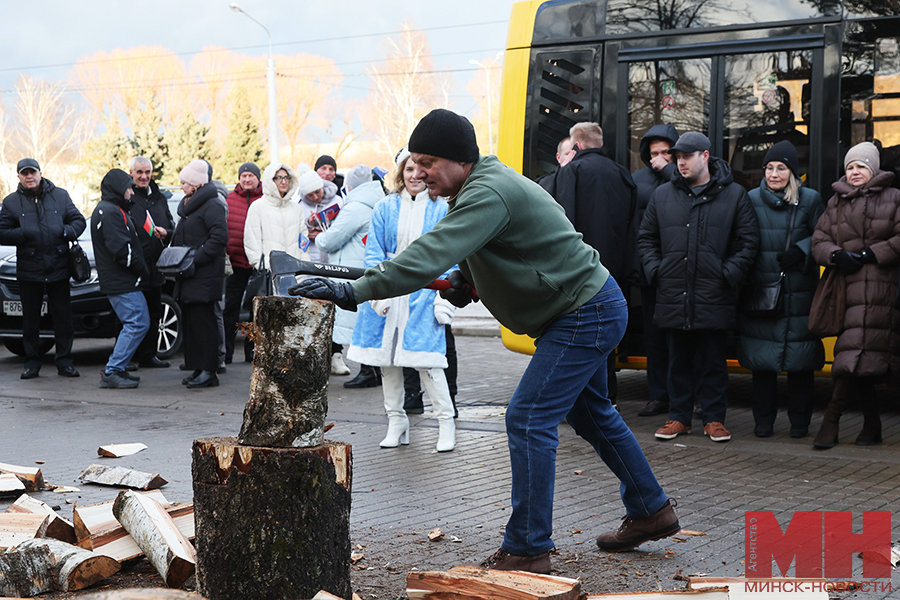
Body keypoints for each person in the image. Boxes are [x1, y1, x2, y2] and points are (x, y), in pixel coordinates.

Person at [290, 108, 678, 574]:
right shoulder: (476, 188)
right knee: (591, 412)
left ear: (457, 160)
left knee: (528, 418)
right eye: (413, 162)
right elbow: (482, 250)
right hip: (582, 308)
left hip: (584, 312)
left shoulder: (487, 192)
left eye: (428, 161)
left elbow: (428, 254)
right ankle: (650, 510)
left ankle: (529, 548)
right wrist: (465, 280)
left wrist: (352, 291)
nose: (419, 172)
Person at [638, 132, 760, 443]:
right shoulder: (663, 196)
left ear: (705, 156)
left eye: (686, 156)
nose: (680, 162)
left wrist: (727, 273)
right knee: (677, 358)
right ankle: (679, 417)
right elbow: (646, 239)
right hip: (673, 290)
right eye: (677, 157)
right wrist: (657, 271)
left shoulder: (734, 195)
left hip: (714, 292)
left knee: (713, 360)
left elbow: (748, 242)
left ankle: (714, 419)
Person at [344, 148, 458, 452]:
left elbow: (452, 255)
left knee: (429, 363)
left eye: (420, 170)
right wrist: (377, 292)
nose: (414, 176)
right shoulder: (384, 207)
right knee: (387, 363)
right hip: (390, 290)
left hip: (426, 289)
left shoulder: (441, 209)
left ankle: (446, 423)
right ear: (400, 173)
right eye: (408, 170)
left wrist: (443, 297)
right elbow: (374, 253)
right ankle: (396, 421)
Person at [810, 141, 900, 448]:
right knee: (857, 354)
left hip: (881, 287)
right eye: (850, 167)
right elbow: (818, 240)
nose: (854, 172)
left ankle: (831, 420)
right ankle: (872, 425)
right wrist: (836, 256)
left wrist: (868, 254)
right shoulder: (837, 201)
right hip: (846, 289)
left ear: (873, 169)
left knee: (859, 351)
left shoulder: (894, 197)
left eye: (860, 166)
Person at [738, 141, 825, 438]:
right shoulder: (749, 199)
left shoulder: (810, 200)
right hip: (763, 291)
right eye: (770, 168)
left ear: (792, 172)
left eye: (781, 168)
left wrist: (802, 250)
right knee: (763, 364)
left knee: (801, 364)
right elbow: (741, 239)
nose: (774, 174)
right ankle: (763, 423)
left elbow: (824, 236)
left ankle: (800, 424)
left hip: (800, 292)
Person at [550, 122, 639, 404]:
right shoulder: (623, 174)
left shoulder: (572, 171)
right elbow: (632, 228)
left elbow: (564, 223)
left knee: (579, 334)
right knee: (605, 338)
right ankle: (606, 396)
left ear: (576, 145)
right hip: (614, 273)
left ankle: (578, 399)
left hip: (581, 272)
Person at [0, 158, 86, 379]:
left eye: (32, 172)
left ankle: (65, 362)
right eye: (24, 173)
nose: (29, 177)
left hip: (58, 267)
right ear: (18, 176)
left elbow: (78, 220)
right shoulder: (10, 202)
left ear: (40, 173)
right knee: (30, 320)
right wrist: (22, 234)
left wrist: (66, 231)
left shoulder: (61, 196)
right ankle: (32, 364)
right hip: (29, 270)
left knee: (63, 319)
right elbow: (1, 231)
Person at [315, 164, 384, 377]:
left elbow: (329, 240)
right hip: (366, 268)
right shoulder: (379, 204)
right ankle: (370, 370)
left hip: (349, 271)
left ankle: (367, 371)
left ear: (351, 187)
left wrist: (318, 235)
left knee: (353, 319)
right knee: (365, 319)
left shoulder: (355, 208)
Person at [632, 124, 679, 417]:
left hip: (683, 270)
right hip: (653, 272)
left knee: (684, 339)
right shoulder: (638, 180)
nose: (658, 158)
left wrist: (667, 171)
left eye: (665, 152)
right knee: (655, 337)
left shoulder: (680, 176)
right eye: (654, 153)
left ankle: (687, 395)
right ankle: (658, 395)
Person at [92, 169, 151, 389]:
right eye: (128, 188)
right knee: (137, 323)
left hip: (120, 280)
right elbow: (120, 250)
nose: (131, 192)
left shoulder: (109, 209)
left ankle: (117, 368)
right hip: (122, 281)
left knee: (136, 323)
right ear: (118, 189)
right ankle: (113, 370)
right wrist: (141, 268)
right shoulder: (110, 212)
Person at [171, 159, 228, 389]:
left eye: (185, 183)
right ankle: (197, 367)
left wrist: (195, 258)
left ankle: (209, 370)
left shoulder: (212, 204)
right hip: (190, 274)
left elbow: (219, 238)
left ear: (196, 184)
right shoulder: (190, 205)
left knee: (205, 323)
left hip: (203, 274)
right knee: (193, 323)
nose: (182, 186)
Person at [126, 156, 175, 370]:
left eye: (147, 172)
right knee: (133, 315)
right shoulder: (126, 197)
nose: (144, 176)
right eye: (139, 172)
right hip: (134, 267)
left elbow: (172, 226)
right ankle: (129, 357)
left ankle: (149, 355)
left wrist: (167, 233)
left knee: (154, 312)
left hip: (156, 267)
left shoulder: (159, 198)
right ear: (132, 174)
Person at [243, 162, 310, 281]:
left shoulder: (295, 208)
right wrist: (263, 267)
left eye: (286, 178)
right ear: (270, 180)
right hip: (270, 275)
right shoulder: (258, 206)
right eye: (278, 178)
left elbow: (303, 239)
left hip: (296, 275)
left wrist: (303, 266)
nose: (283, 182)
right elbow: (251, 241)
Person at [224, 162, 263, 364]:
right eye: (243, 176)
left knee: (254, 310)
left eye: (251, 176)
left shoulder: (265, 200)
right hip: (236, 264)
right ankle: (227, 352)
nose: (247, 179)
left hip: (257, 266)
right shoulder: (229, 200)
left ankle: (252, 351)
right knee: (230, 309)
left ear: (258, 178)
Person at [295, 170, 341, 264]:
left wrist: (326, 232)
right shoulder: (299, 205)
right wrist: (308, 229)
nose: (315, 197)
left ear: (322, 187)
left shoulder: (337, 201)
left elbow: (343, 227)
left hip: (333, 256)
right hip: (311, 257)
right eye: (310, 195)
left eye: (317, 192)